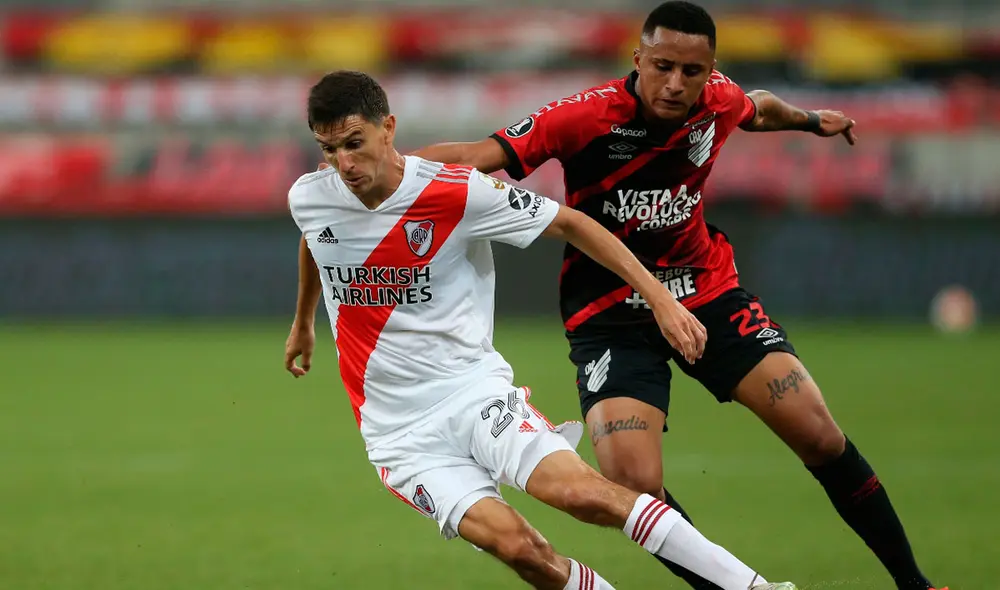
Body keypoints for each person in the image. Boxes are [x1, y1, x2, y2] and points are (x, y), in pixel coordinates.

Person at [409, 3, 945, 590]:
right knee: (634, 485)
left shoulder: (718, 99)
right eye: (662, 66)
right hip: (608, 314)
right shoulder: (583, 117)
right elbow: (473, 158)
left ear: (710, 69)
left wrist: (812, 119)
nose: (676, 83)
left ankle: (916, 586)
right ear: (637, 59)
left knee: (818, 433)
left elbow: (759, 108)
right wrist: (374, 169)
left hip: (704, 291)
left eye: (693, 71)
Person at [283, 70, 797, 590]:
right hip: (399, 438)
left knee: (584, 496)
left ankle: (752, 588)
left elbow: (573, 224)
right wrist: (304, 321)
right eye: (329, 150)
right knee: (523, 552)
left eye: (354, 143)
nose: (344, 164)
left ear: (387, 128)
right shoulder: (311, 197)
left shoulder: (456, 192)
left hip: (473, 395)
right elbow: (315, 239)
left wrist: (662, 298)